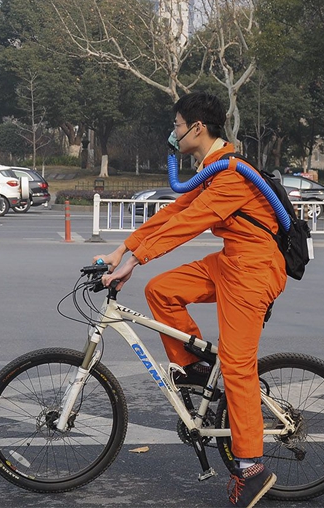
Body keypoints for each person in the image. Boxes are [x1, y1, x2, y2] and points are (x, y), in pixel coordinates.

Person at [94, 91, 286, 508]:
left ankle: (252, 468)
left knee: (237, 366)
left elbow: (190, 224)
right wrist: (122, 249)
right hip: (230, 262)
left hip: (253, 272)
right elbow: (174, 212)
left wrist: (135, 260)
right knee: (161, 290)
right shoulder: (213, 171)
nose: (173, 133)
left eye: (177, 126)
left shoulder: (232, 175)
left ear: (197, 129)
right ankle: (195, 367)